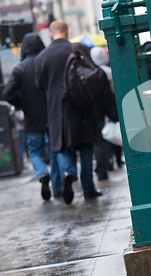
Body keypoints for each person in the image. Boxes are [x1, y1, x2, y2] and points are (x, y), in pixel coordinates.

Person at [35, 20, 101, 204]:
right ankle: (88, 188)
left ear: (51, 34)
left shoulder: (42, 56)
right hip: (81, 106)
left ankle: (69, 172)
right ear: (67, 31)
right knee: (86, 146)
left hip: (57, 109)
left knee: (62, 145)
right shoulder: (77, 49)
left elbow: (39, 85)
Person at [3, 33, 61, 201]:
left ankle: (42, 173)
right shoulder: (46, 62)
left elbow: (8, 93)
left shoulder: (20, 68)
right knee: (55, 150)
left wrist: (21, 103)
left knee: (35, 151)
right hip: (51, 115)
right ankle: (57, 187)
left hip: (32, 117)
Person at [90, 46, 120, 180]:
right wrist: (113, 114)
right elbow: (110, 94)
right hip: (105, 109)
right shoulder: (107, 72)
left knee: (99, 140)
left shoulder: (89, 71)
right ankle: (114, 161)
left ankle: (104, 166)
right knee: (106, 137)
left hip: (92, 112)